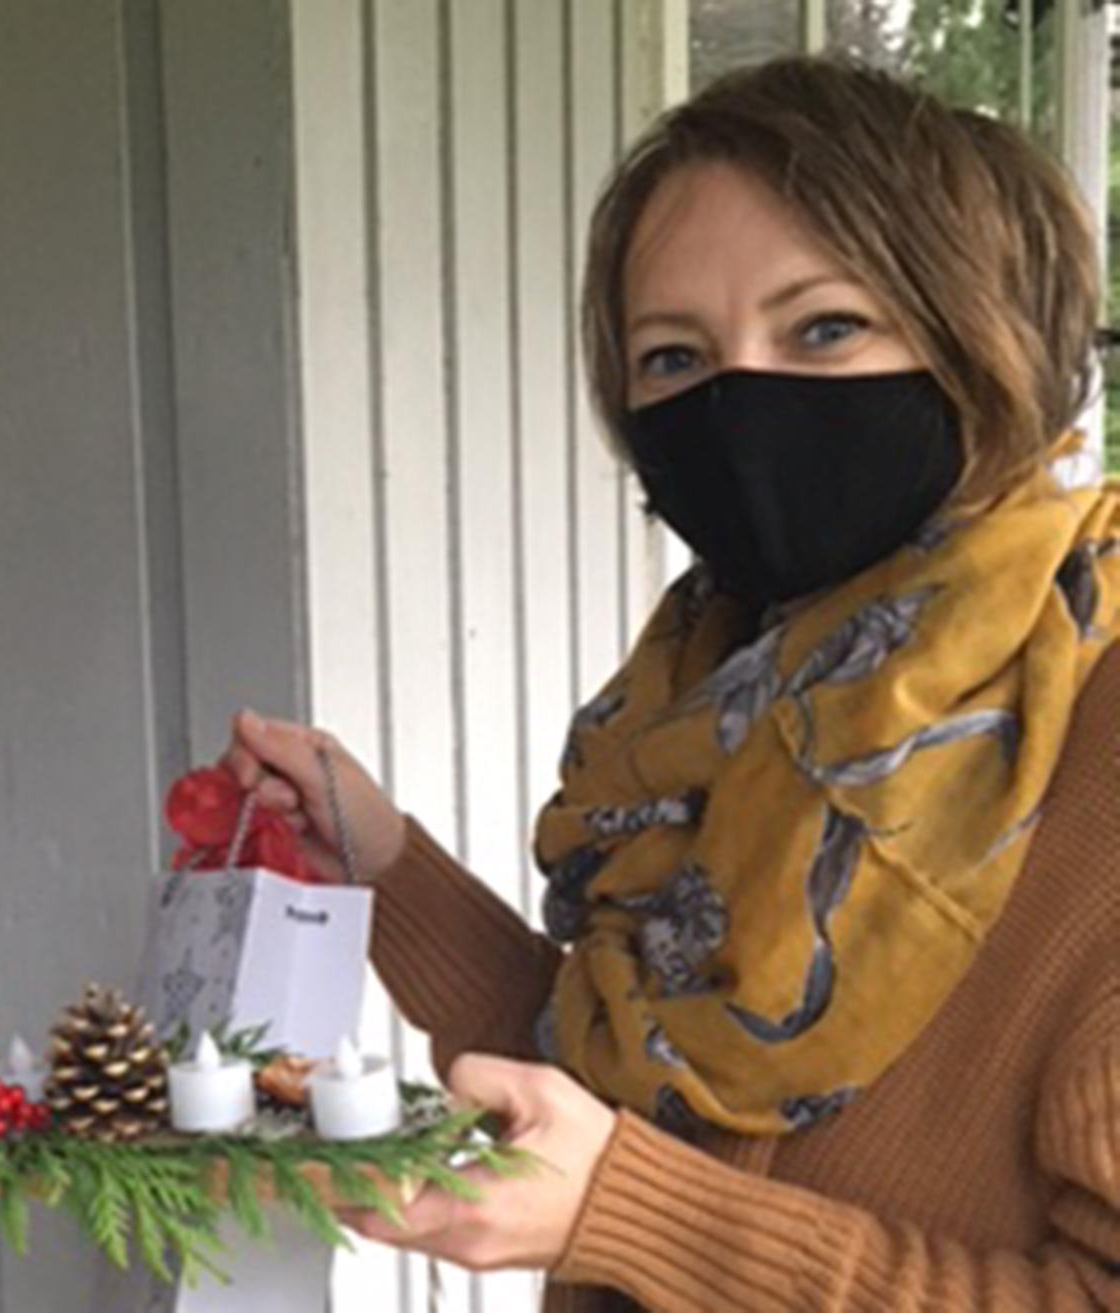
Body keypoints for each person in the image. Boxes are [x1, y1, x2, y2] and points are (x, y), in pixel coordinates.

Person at [223, 58, 1119, 1311]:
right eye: (672, 355)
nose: (740, 400)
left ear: (986, 338)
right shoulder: (714, 686)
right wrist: (383, 865)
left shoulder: (1095, 721)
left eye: (824, 328)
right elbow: (629, 1075)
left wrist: (633, 1216)